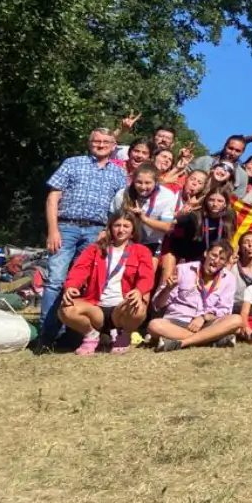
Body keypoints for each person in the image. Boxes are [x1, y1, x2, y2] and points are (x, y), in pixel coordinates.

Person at [38, 128, 131, 350]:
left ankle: (72, 334)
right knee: (55, 281)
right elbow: (53, 198)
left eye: (106, 142)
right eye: (96, 141)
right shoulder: (72, 163)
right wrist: (53, 229)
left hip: (96, 231)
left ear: (113, 146)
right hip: (66, 227)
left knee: (84, 282)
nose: (101, 144)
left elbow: (119, 208)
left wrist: (107, 231)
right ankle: (46, 335)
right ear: (89, 143)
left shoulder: (118, 173)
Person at [58, 213, 155, 355]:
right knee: (65, 309)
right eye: (117, 225)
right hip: (96, 307)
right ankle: (91, 335)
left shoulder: (141, 251)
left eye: (126, 226)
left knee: (139, 308)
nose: (121, 230)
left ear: (133, 230)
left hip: (121, 308)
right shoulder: (95, 249)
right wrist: (71, 286)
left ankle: (124, 335)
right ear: (110, 228)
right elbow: (79, 270)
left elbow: (147, 277)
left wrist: (139, 291)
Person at [148, 241, 243, 352]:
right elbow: (158, 305)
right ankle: (211, 339)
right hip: (177, 321)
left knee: (236, 320)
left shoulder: (229, 279)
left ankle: (183, 342)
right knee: (154, 326)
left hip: (207, 323)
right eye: (214, 255)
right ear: (206, 253)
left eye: (222, 259)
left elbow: (224, 310)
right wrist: (168, 289)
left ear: (225, 263)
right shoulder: (183, 269)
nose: (216, 261)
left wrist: (203, 317)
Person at [110, 163, 179, 256]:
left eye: (147, 183)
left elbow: (167, 227)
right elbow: (111, 219)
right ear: (133, 180)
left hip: (152, 242)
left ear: (156, 182)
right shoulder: (122, 194)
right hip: (125, 240)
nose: (143, 187)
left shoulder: (167, 196)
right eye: (139, 182)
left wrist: (144, 219)